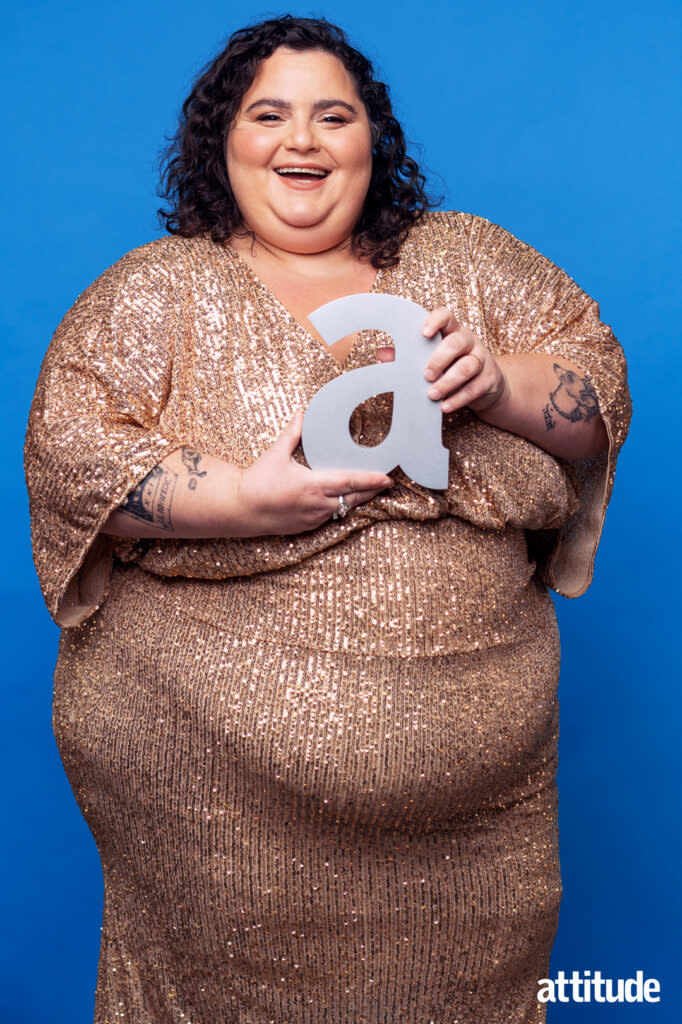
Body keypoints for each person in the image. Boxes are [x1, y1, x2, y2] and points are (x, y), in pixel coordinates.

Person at [24, 14, 631, 1024]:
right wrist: (237, 501)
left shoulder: (465, 257)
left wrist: (498, 382)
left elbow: (594, 379)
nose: (301, 139)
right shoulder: (153, 292)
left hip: (472, 838)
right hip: (209, 825)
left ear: (371, 141)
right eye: (269, 114)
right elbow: (71, 452)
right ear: (224, 143)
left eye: (332, 115)